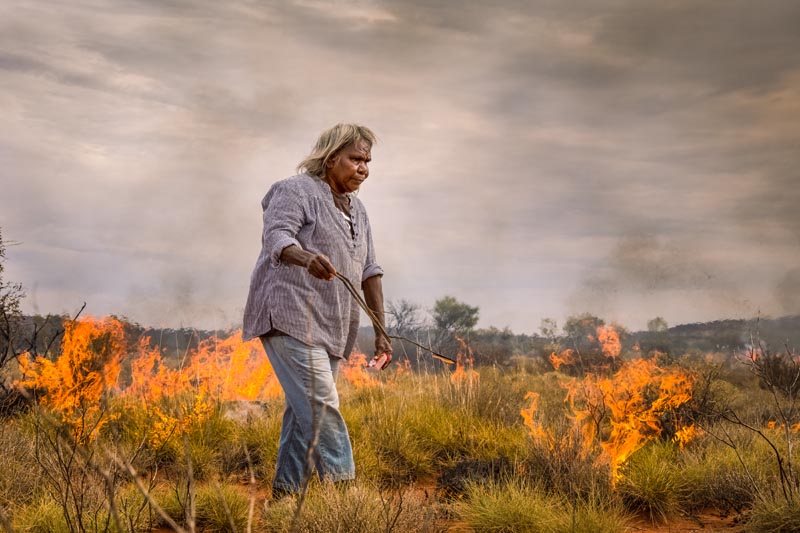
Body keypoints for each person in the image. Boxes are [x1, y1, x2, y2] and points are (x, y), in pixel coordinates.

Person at [242, 123, 392, 497]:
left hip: (332, 326)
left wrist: (382, 332)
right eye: (356, 159)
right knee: (323, 408)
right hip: (289, 316)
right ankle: (349, 499)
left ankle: (285, 497)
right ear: (330, 158)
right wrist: (305, 258)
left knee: (302, 414)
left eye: (367, 161)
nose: (364, 168)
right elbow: (277, 236)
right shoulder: (295, 191)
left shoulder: (359, 210)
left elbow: (370, 270)